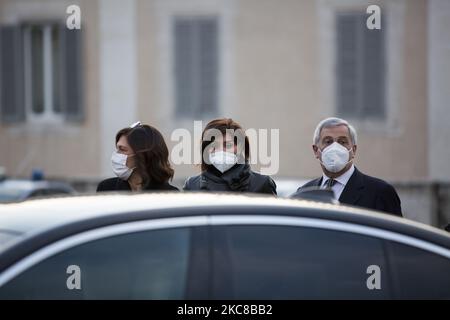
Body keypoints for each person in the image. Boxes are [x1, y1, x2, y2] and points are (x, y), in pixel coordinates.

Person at [292, 117, 402, 217]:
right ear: (316, 151)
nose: (335, 147)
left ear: (353, 150)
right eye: (328, 141)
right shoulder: (304, 193)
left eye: (342, 142)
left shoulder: (380, 192)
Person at [183, 118, 276, 194]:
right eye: (213, 145)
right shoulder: (192, 185)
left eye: (227, 145)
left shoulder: (261, 183)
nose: (220, 151)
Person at [97, 122, 178, 192]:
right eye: (117, 148)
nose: (116, 154)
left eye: (122, 149)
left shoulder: (170, 195)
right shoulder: (106, 188)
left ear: (142, 155)